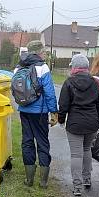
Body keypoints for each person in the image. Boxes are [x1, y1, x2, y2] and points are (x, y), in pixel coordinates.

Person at [58, 54, 99, 196]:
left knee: (76, 155)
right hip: (91, 123)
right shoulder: (94, 82)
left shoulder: (69, 82)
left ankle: (77, 186)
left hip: (75, 123)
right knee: (86, 150)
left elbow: (63, 105)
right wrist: (98, 119)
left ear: (74, 67)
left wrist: (61, 120)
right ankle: (87, 179)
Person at [14, 40, 58, 188]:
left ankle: (29, 179)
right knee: (42, 142)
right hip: (39, 112)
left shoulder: (19, 67)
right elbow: (49, 92)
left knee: (27, 142)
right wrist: (53, 111)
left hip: (24, 110)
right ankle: (43, 181)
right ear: (38, 52)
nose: (45, 53)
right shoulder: (43, 67)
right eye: (43, 51)